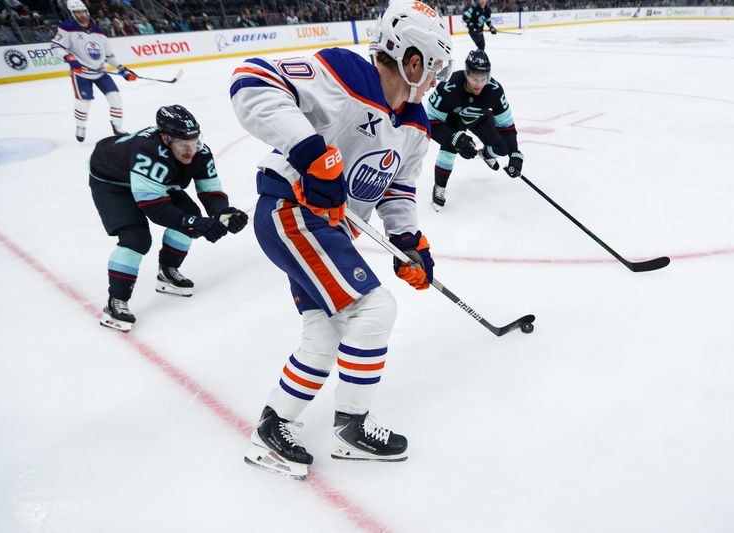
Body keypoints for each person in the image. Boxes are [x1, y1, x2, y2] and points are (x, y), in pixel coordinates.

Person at [229, 0, 452, 479]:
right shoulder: (346, 72)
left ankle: (272, 427)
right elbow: (251, 80)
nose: (436, 78)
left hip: (326, 230)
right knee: (375, 309)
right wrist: (310, 152)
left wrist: (408, 239)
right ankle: (351, 427)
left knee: (325, 332)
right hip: (291, 211)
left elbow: (397, 186)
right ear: (413, 60)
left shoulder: (416, 124)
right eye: (434, 66)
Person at [89, 105, 249, 332]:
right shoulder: (149, 152)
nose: (191, 151)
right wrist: (193, 224)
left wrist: (223, 213)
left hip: (151, 179)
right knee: (136, 238)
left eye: (194, 142)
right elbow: (154, 207)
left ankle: (167, 272)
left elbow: (211, 190)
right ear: (166, 139)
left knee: (189, 216)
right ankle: (116, 301)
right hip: (113, 181)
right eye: (184, 145)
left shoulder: (200, 152)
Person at [426, 49, 523, 211]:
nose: (478, 84)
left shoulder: (495, 91)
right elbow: (430, 122)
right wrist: (454, 139)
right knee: (450, 149)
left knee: (503, 147)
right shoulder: (449, 87)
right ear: (466, 74)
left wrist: (514, 152)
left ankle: (487, 154)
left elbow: (507, 125)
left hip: (479, 118)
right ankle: (439, 186)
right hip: (454, 119)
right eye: (474, 78)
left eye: (483, 79)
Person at [50, 0, 137, 142]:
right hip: (81, 73)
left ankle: (117, 127)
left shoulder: (99, 32)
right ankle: (80, 126)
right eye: (77, 12)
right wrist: (69, 58)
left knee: (115, 98)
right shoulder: (67, 28)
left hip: (100, 72)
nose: (81, 15)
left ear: (87, 12)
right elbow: (56, 46)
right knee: (84, 102)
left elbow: (109, 56)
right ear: (73, 14)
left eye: (83, 11)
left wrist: (123, 69)